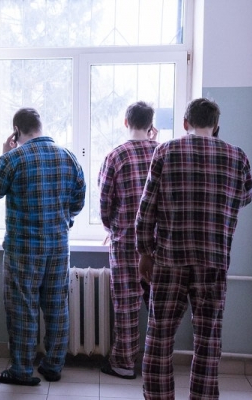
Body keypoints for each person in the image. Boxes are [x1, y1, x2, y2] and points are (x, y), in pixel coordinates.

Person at [136, 98, 252, 399]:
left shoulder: (166, 151)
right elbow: (245, 197)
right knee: (208, 341)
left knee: (160, 337)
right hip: (213, 260)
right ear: (216, 126)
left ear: (185, 123)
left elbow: (146, 208)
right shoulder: (237, 156)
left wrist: (145, 251)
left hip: (169, 259)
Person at [0, 107, 86, 386]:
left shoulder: (14, 158)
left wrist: (4, 154)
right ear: (40, 127)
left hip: (23, 249)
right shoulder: (68, 157)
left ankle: (21, 370)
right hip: (58, 247)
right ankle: (53, 366)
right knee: (56, 307)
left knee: (22, 308)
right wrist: (64, 220)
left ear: (16, 131)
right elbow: (78, 201)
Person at [97, 101, 158, 380]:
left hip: (125, 241)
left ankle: (124, 363)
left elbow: (104, 202)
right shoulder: (163, 151)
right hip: (158, 243)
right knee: (160, 306)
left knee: (126, 305)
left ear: (125, 122)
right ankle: (157, 363)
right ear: (151, 124)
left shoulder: (115, 156)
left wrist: (112, 227)